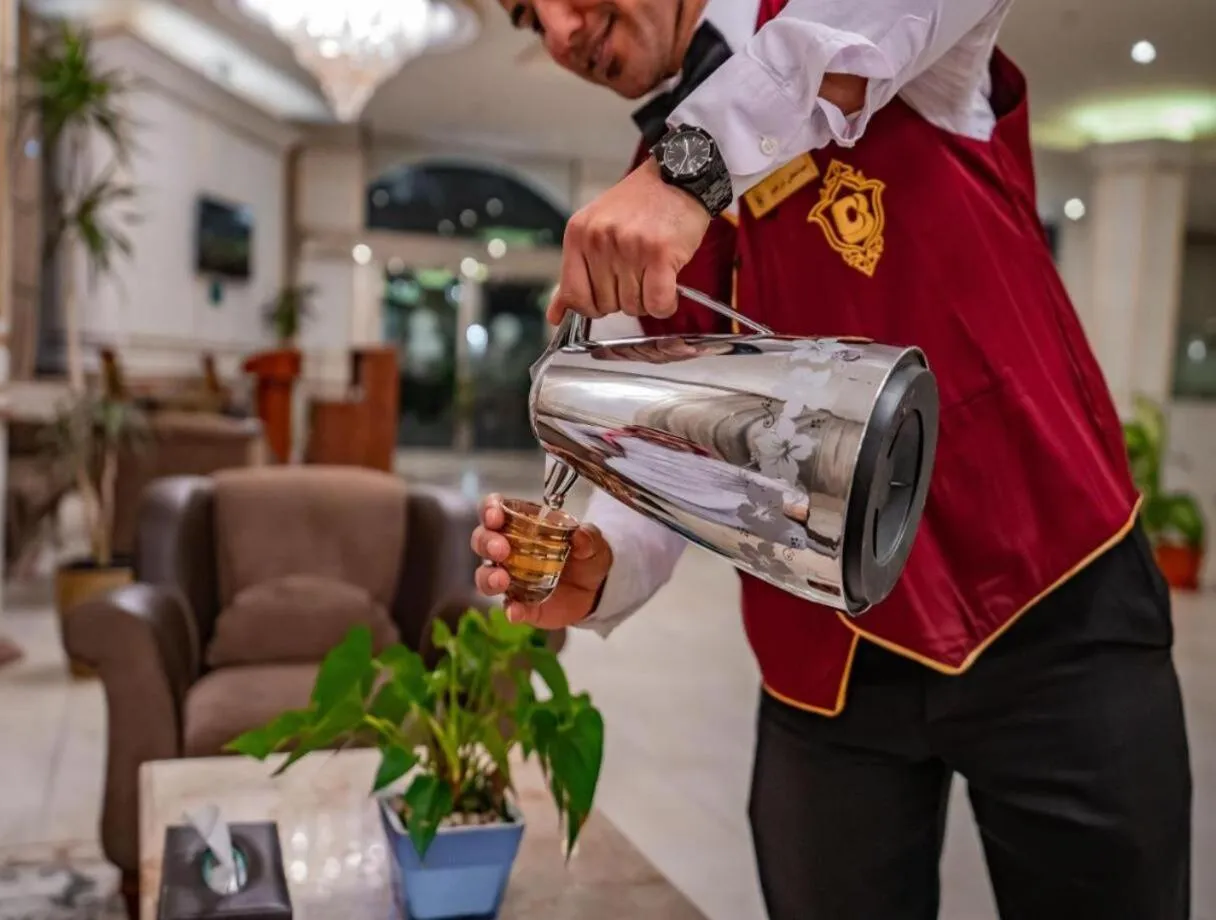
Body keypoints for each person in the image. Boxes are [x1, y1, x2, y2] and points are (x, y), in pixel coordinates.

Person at [472, 1, 1192, 918]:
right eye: (531, 20)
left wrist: (691, 166)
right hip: (826, 665)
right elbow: (659, 452)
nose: (564, 29)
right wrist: (599, 564)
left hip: (1057, 598)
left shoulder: (842, 37)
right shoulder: (640, 213)